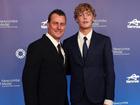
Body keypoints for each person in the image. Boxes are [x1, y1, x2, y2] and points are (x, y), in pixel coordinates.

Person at [63, 3, 115, 105]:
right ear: (76, 19)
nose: (85, 17)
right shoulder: (68, 42)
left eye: (88, 14)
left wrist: (109, 98)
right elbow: (66, 69)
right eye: (81, 14)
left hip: (99, 97)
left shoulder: (104, 41)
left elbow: (110, 71)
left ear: (93, 18)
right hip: (77, 97)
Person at [22, 9, 68, 105]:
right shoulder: (36, 47)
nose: (59, 27)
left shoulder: (62, 48)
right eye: (55, 23)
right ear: (48, 24)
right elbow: (29, 82)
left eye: (62, 24)